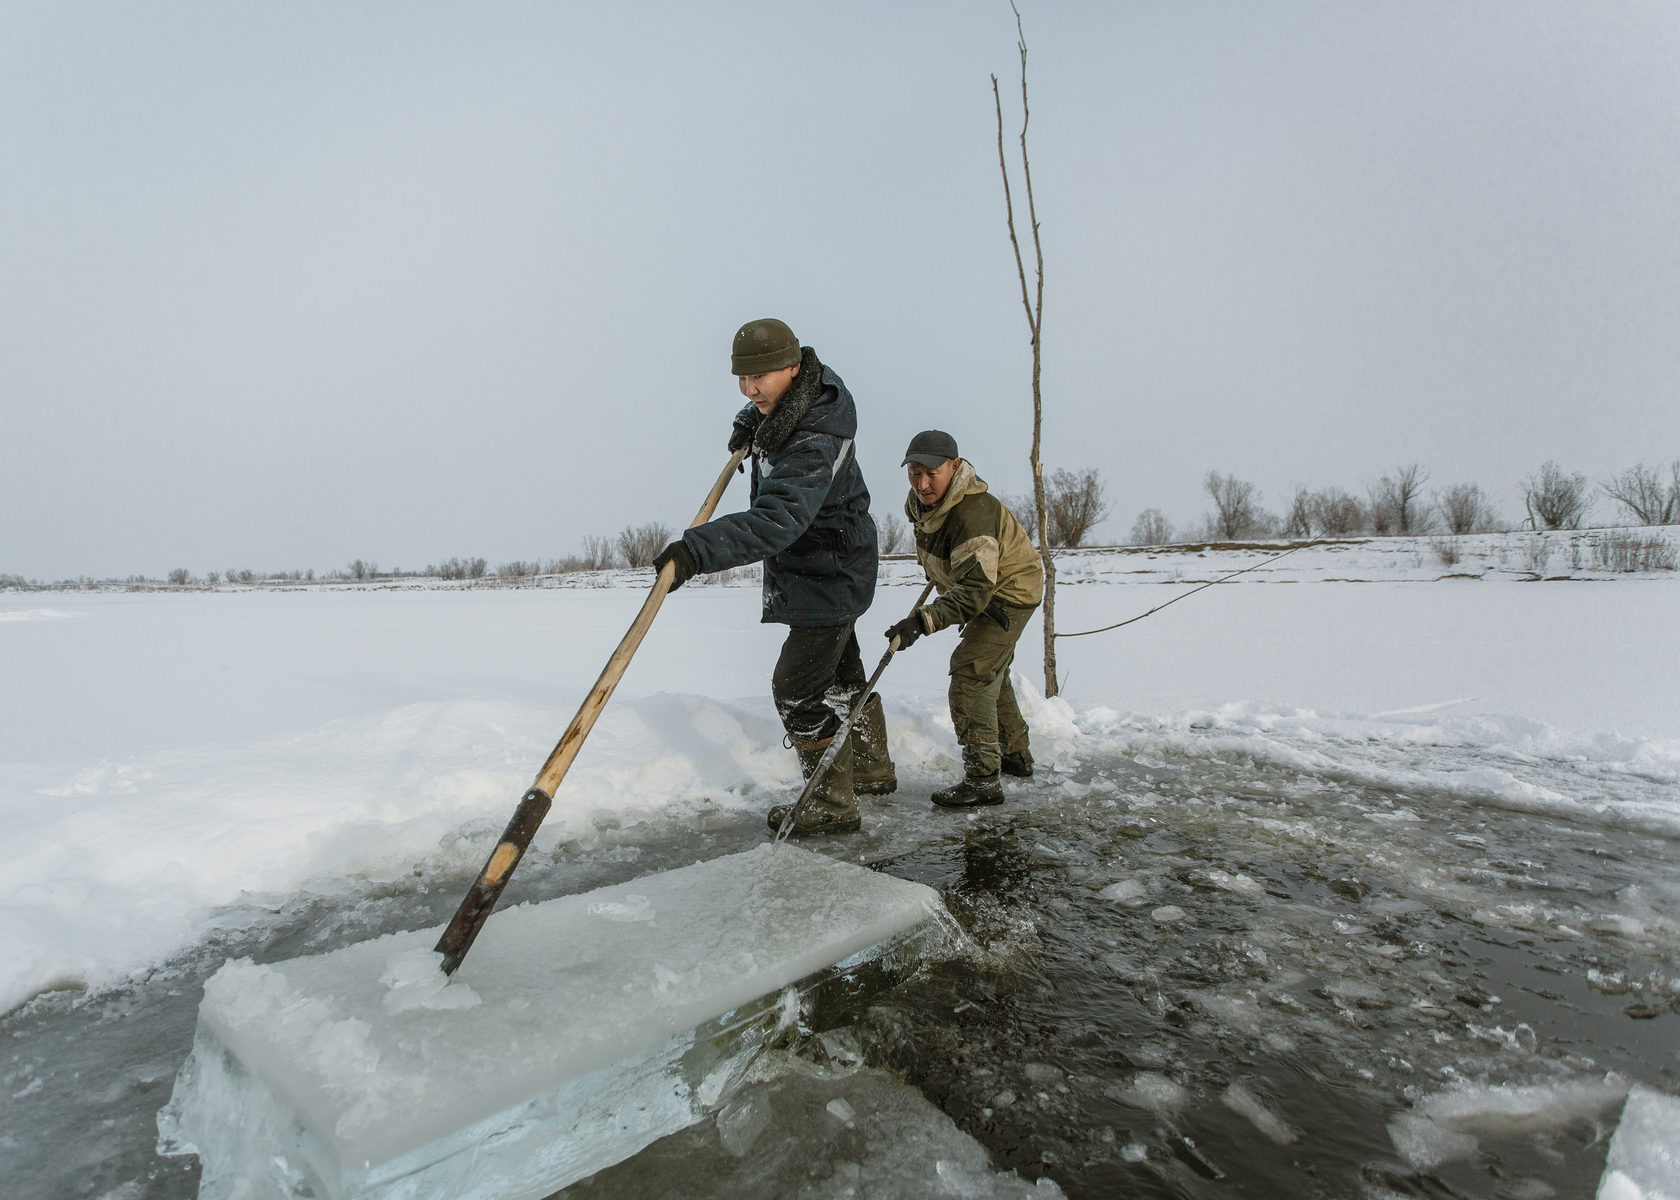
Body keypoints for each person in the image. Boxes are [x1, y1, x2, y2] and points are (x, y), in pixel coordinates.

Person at [652, 318, 895, 836]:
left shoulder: (814, 437)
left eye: (758, 378)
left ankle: (831, 804)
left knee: (797, 691)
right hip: (830, 564)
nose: (749, 389)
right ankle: (872, 771)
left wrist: (696, 550)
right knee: (844, 677)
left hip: (828, 573)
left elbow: (777, 520)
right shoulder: (803, 395)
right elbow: (770, 408)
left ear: (791, 366)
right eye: (741, 379)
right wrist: (751, 421)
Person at [884, 430, 1044, 807]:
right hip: (983, 585)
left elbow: (975, 591)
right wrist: (937, 571)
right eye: (914, 473)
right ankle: (1015, 755)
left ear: (955, 468)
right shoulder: (923, 503)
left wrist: (922, 622)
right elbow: (939, 543)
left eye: (931, 474)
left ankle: (984, 780)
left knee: (972, 671)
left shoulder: (973, 513)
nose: (922, 484)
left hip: (1009, 592)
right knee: (990, 668)